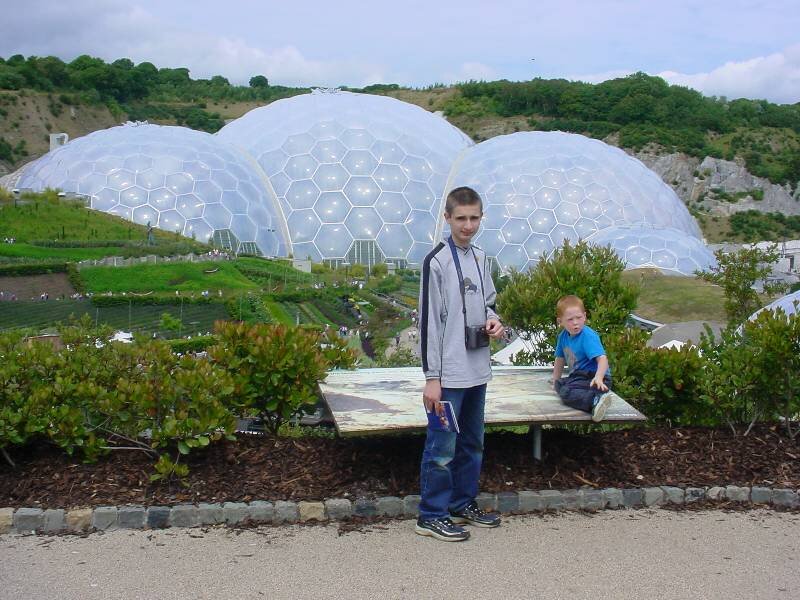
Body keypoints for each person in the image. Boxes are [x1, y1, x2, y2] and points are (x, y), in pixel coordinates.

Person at [416, 186, 505, 542]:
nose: (468, 226)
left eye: (474, 218)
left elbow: (488, 303)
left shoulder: (481, 257)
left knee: (472, 443)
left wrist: (494, 321)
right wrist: (432, 378)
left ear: (482, 217)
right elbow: (428, 322)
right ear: (447, 218)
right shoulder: (436, 261)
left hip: (477, 370)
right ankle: (431, 515)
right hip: (449, 376)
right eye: (461, 218)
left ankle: (461, 503)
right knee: (442, 448)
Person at [550, 295, 614, 422]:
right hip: (580, 377)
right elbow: (559, 359)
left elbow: (602, 359)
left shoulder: (587, 336)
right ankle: (596, 397)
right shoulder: (563, 337)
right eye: (570, 319)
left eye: (579, 318)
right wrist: (555, 379)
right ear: (560, 321)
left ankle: (595, 401)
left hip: (596, 378)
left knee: (566, 393)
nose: (575, 322)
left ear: (584, 316)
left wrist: (599, 377)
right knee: (560, 384)